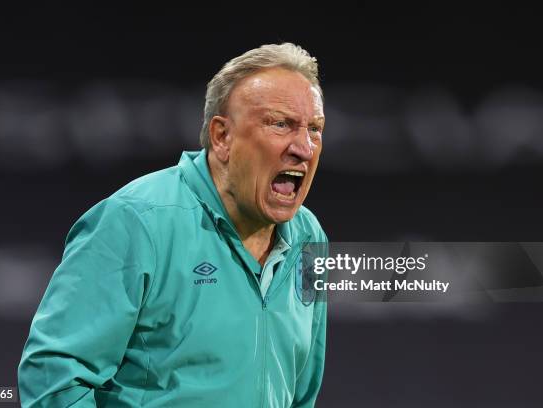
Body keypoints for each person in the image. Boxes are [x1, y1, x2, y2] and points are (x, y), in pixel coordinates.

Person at [18, 42, 328, 407]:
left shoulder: (310, 239)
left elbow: (300, 392)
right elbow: (54, 379)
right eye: (281, 124)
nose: (305, 148)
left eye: (315, 128)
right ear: (222, 137)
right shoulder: (137, 222)